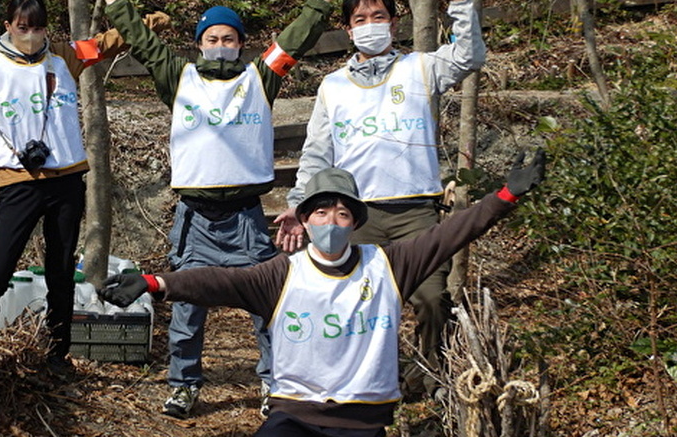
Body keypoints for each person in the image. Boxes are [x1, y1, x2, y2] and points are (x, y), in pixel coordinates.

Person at [74, 0, 364, 418]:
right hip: (195, 220)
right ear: (199, 44)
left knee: (268, 303)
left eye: (229, 38)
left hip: (247, 218)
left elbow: (298, 37)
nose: (221, 45)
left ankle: (274, 382)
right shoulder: (179, 77)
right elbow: (143, 41)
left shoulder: (260, 77)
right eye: (212, 39)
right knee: (187, 306)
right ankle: (183, 385)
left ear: (242, 43)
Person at [99, 150, 546, 437]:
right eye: (321, 213)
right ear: (305, 221)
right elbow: (218, 281)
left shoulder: (388, 265)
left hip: (364, 420)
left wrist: (505, 195)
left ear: (356, 222)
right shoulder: (282, 274)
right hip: (294, 417)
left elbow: (451, 234)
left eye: (342, 214)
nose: (331, 222)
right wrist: (156, 283)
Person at [0, 0, 167, 371]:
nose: (30, 35)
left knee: (61, 271)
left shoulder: (65, 56)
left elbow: (107, 43)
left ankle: (58, 350)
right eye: (22, 28)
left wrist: (150, 22)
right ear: (8, 26)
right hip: (18, 182)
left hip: (67, 179)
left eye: (38, 28)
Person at [274, 0, 486, 398]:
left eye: (379, 17)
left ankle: (429, 380)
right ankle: (361, 379)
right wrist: (297, 206)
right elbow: (317, 154)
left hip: (417, 213)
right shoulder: (333, 86)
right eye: (360, 19)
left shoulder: (421, 68)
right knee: (355, 304)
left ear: (393, 23)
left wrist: (461, 3)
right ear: (348, 30)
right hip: (356, 217)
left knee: (432, 299)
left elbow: (468, 57)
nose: (370, 25)